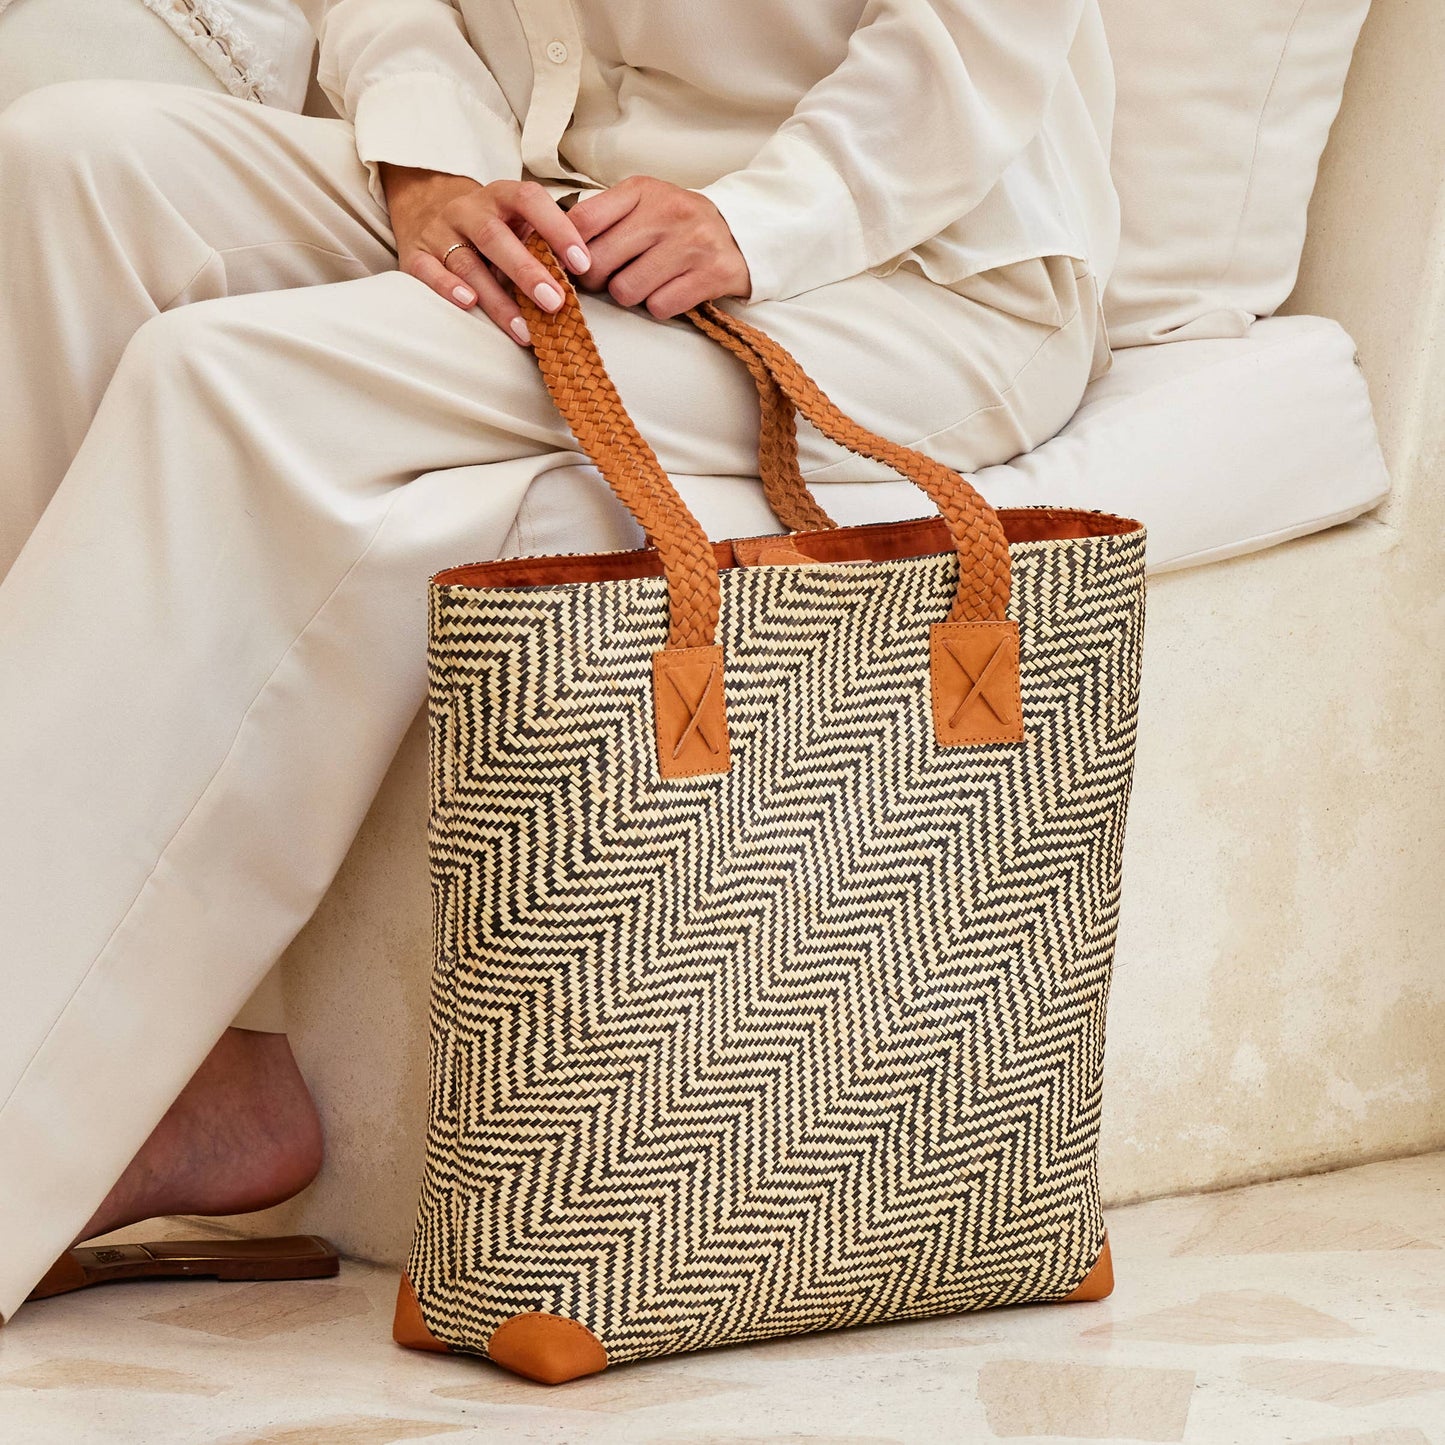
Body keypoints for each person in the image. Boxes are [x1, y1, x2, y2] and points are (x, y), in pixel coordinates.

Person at [0, 0, 1118, 1323]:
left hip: (902, 263)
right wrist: (432, 158)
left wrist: (762, 219)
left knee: (225, 376)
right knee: (68, 168)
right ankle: (197, 1076)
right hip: (557, 193)